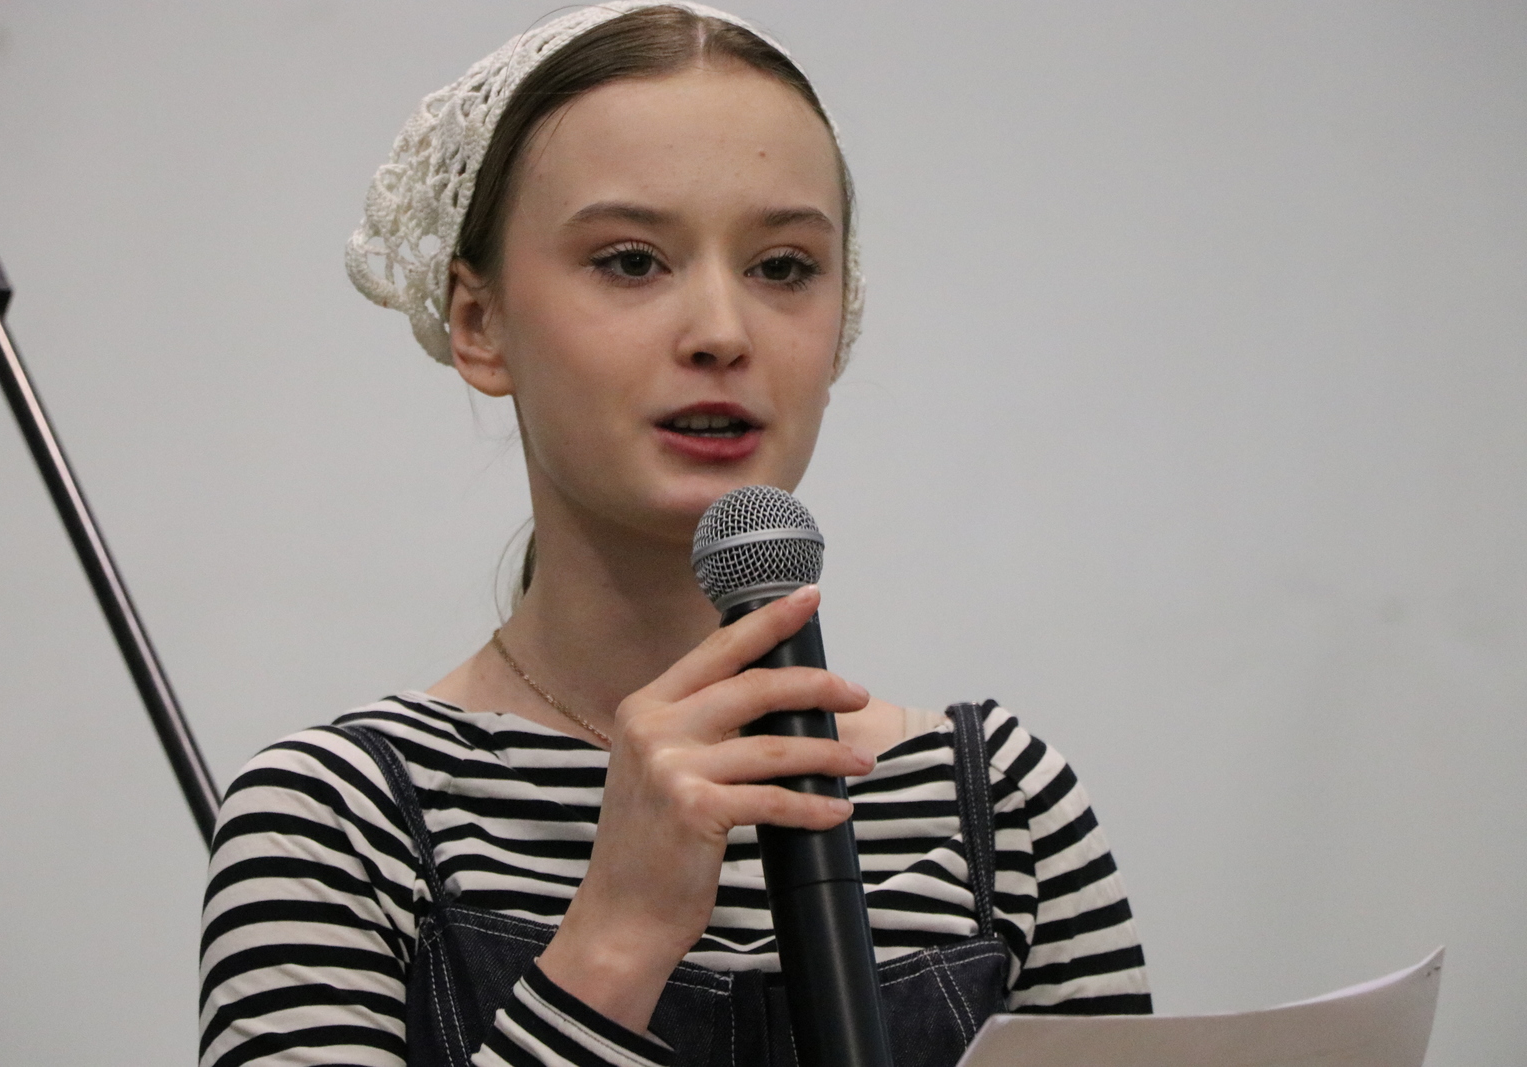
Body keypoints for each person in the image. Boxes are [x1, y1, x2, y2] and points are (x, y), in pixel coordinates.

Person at [198, 5, 1152, 1066]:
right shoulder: (333, 819)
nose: (721, 333)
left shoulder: (1004, 813)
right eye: (630, 260)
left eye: (782, 267)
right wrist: (617, 935)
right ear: (479, 321)